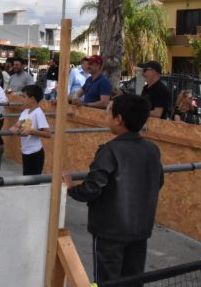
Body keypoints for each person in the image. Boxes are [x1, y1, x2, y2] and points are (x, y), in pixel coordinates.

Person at [63, 94, 164, 284]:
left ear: (118, 119)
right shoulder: (152, 149)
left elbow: (92, 188)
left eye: (108, 111)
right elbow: (158, 181)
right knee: (133, 278)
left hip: (109, 231)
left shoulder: (109, 151)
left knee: (108, 280)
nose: (106, 115)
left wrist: (72, 189)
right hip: (140, 228)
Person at [9, 85, 51, 175]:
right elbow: (16, 125)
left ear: (32, 99)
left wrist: (32, 131)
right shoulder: (25, 112)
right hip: (25, 152)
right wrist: (15, 129)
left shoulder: (38, 113)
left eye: (24, 97)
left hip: (35, 153)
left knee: (32, 181)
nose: (22, 99)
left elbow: (48, 134)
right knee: (26, 178)